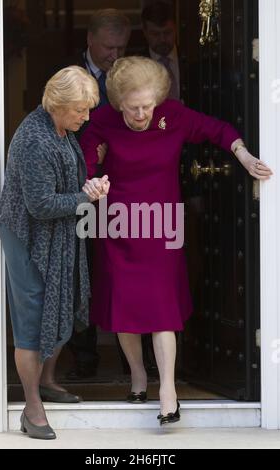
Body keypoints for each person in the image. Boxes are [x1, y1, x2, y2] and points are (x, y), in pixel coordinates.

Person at [79, 56, 272, 425]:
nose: (141, 115)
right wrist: (92, 180)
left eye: (148, 106)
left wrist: (243, 156)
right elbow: (87, 159)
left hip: (163, 225)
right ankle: (138, 375)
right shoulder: (102, 120)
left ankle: (168, 391)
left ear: (158, 99)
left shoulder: (174, 114)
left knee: (162, 307)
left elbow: (218, 130)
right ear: (118, 103)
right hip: (119, 225)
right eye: (133, 108)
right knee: (126, 309)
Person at [0, 66, 110, 439]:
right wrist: (86, 197)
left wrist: (87, 185)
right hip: (28, 237)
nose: (86, 116)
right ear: (57, 104)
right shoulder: (34, 139)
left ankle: (47, 380)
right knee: (31, 320)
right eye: (80, 109)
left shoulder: (62, 130)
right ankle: (32, 409)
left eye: (88, 109)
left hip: (57, 233)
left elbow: (62, 183)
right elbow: (41, 205)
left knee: (60, 300)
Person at [66, 8, 131, 380]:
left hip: (124, 188)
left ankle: (130, 358)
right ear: (90, 40)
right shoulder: (65, 71)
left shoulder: (127, 71)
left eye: (121, 46)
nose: (115, 55)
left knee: (121, 270)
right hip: (81, 187)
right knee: (82, 270)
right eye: (109, 47)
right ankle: (84, 356)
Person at [141, 1, 181, 101]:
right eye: (155, 34)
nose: (162, 39)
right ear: (145, 33)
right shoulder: (136, 64)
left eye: (167, 33)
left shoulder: (192, 60)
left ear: (176, 29)